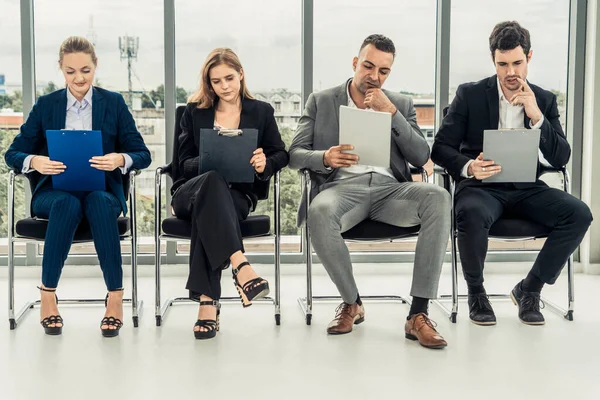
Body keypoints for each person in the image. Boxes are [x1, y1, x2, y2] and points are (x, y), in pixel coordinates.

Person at [289, 34, 450, 349]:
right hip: (341, 188)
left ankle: (418, 314)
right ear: (355, 63)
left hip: (391, 191)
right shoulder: (321, 101)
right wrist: (324, 157)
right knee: (318, 212)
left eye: (384, 71)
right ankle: (352, 303)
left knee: (439, 197)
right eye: (368, 66)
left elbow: (420, 157)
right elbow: (295, 153)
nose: (374, 77)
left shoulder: (400, 104)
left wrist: (391, 112)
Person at [431, 21, 592, 326]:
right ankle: (476, 294)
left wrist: (536, 117)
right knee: (471, 212)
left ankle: (530, 289)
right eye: (502, 64)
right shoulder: (470, 94)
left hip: (527, 188)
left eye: (517, 63)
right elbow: (439, 148)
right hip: (481, 187)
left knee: (579, 214)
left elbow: (561, 157)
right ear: (493, 61)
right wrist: (468, 167)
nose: (510, 72)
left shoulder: (543, 100)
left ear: (529, 57)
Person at [4, 36, 151, 337]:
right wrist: (35, 161)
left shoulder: (114, 103)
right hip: (54, 194)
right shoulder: (46, 106)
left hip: (103, 193)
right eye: (71, 71)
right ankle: (47, 295)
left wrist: (119, 158)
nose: (79, 78)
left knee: (96, 201)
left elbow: (142, 154)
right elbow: (13, 153)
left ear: (95, 66)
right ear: (61, 69)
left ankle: (115, 298)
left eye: (85, 69)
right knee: (67, 203)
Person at [171, 48, 289, 340]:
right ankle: (241, 265)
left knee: (209, 212)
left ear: (241, 75)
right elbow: (181, 164)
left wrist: (265, 163)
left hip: (237, 195)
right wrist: (214, 160)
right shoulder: (194, 112)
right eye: (216, 81)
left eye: (229, 78)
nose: (224, 86)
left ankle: (208, 304)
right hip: (191, 190)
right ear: (208, 84)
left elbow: (280, 154)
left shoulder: (261, 112)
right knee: (211, 181)